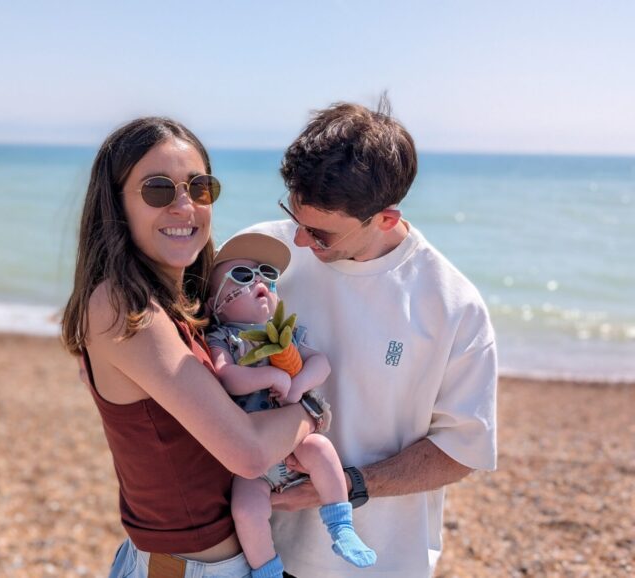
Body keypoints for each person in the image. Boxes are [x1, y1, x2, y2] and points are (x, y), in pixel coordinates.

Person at [241, 98, 498, 578]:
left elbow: (461, 451)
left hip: (375, 562)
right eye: (294, 216)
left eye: (321, 234)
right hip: (253, 550)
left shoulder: (452, 305)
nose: (300, 241)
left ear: (385, 217)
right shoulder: (258, 258)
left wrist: (345, 485)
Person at [61, 117, 321, 578]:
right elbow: (249, 453)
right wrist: (311, 412)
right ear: (116, 205)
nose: (185, 206)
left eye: (199, 188)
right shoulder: (125, 307)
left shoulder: (181, 304)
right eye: (158, 190)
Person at [205, 232, 377, 577]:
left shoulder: (284, 335)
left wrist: (298, 385)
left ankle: (341, 525)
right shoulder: (224, 337)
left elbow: (321, 363)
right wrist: (268, 378)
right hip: (250, 460)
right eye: (241, 275)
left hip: (294, 445)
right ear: (214, 304)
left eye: (267, 275)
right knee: (246, 510)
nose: (259, 281)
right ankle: (267, 569)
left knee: (323, 452)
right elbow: (226, 376)